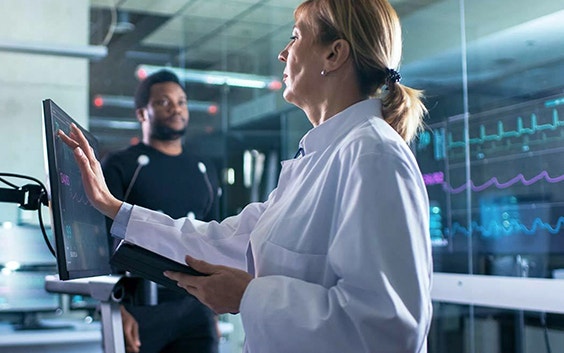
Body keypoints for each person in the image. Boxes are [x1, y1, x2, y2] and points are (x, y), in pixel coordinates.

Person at [60, 0, 433, 352]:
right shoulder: (318, 159)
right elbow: (225, 240)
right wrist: (113, 208)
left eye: (296, 36)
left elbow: (389, 329)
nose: (283, 53)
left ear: (333, 54)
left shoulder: (372, 155)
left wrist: (248, 297)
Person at [101, 70, 220, 353]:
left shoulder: (203, 169)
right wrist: (114, 307)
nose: (176, 108)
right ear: (143, 114)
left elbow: (213, 239)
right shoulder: (120, 165)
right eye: (164, 102)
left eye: (181, 101)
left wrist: (212, 309)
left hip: (195, 308)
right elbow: (103, 241)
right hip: (139, 308)